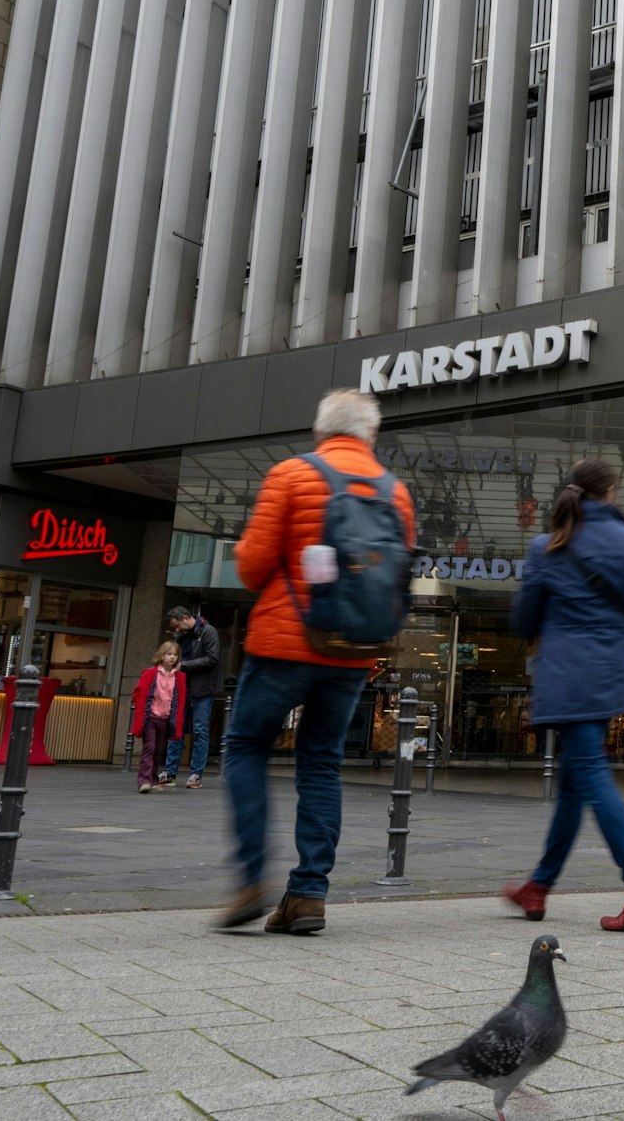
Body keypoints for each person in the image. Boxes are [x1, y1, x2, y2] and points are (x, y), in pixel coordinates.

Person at [216, 389, 416, 936]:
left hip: (285, 643)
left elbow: (254, 568)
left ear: (321, 431)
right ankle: (307, 895)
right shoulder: (395, 493)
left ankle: (251, 879)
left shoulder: (292, 475)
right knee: (321, 762)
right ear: (370, 436)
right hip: (351, 651)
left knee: (246, 746)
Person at [501, 458, 624, 931]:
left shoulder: (548, 546)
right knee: (574, 784)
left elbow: (523, 622)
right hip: (610, 676)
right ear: (610, 493)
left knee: (588, 773)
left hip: (568, 678)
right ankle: (537, 887)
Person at [162, 606, 222, 789]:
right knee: (176, 730)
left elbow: (212, 659)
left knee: (200, 731)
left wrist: (184, 666)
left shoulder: (208, 631)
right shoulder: (181, 636)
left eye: (178, 625)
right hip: (182, 688)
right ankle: (170, 772)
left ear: (186, 617)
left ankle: (196, 774)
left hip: (202, 689)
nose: (177, 629)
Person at [131, 641, 188, 795]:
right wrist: (140, 707)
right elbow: (138, 692)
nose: (172, 657)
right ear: (161, 656)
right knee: (149, 748)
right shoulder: (150, 673)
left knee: (159, 750)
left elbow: (179, 698)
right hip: (150, 717)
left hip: (165, 718)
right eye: (169, 654)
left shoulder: (179, 677)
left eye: (175, 655)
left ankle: (154, 780)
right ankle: (144, 781)